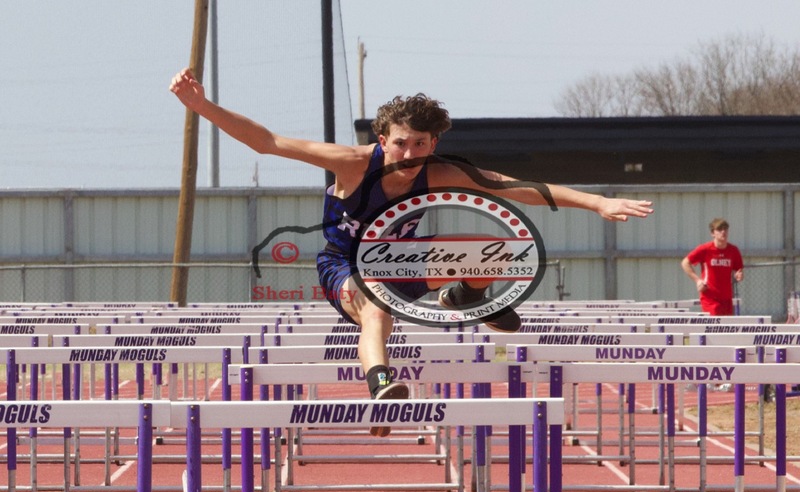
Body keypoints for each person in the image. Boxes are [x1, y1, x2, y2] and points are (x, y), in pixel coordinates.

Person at [170, 68, 654, 436]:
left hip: (401, 260)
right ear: (383, 141)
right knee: (376, 305)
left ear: (433, 142)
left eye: (420, 144)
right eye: (400, 144)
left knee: (495, 250)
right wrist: (202, 105)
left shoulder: (440, 171)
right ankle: (382, 385)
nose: (409, 155)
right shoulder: (351, 163)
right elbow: (268, 142)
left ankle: (465, 295)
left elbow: (515, 187)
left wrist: (597, 202)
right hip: (345, 266)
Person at [681, 218, 744, 316]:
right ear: (712, 233)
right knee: (714, 324)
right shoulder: (705, 249)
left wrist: (739, 275)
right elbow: (685, 263)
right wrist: (698, 280)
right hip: (710, 298)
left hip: (727, 298)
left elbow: (739, 270)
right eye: (719, 229)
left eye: (725, 229)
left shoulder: (733, 250)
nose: (723, 232)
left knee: (727, 325)